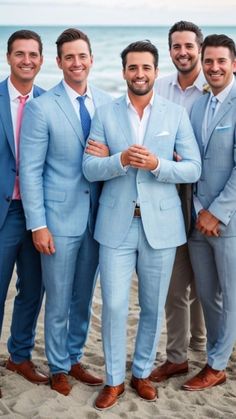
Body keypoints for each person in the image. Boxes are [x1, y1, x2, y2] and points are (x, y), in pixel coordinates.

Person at [83, 40, 201, 411]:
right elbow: (89, 168)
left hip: (161, 227)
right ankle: (114, 380)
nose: (139, 74)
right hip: (116, 225)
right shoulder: (105, 113)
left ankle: (143, 373)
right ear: (123, 72)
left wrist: (158, 166)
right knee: (115, 306)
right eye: (132, 68)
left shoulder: (174, 115)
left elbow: (192, 168)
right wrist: (119, 159)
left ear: (155, 70)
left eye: (146, 67)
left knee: (152, 306)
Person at [20, 28, 111, 396]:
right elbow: (30, 170)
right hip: (58, 220)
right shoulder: (42, 107)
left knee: (84, 296)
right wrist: (38, 225)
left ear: (92, 59)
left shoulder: (107, 102)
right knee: (57, 296)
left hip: (98, 218)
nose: (77, 62)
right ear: (58, 62)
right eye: (69, 57)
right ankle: (58, 365)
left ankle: (74, 356)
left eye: (82, 56)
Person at [150, 21, 206, 383]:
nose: (182, 52)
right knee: (175, 281)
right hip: (173, 195)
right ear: (169, 50)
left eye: (188, 45)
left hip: (211, 197)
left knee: (209, 282)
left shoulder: (217, 86)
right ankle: (176, 356)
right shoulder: (159, 88)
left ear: (199, 47)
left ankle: (202, 342)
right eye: (175, 46)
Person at [182, 34, 236, 391]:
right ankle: (218, 356)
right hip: (197, 218)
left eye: (221, 61)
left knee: (231, 294)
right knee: (207, 293)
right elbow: (192, 160)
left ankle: (216, 364)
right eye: (209, 61)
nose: (214, 67)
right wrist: (200, 210)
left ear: (234, 63)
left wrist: (216, 212)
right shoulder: (198, 106)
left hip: (228, 221)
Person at [0, 30, 48, 397]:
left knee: (32, 290)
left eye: (33, 54)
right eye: (20, 54)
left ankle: (19, 356)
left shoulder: (50, 103)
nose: (26, 60)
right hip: (3, 213)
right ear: (8, 57)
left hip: (37, 215)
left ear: (42, 60)